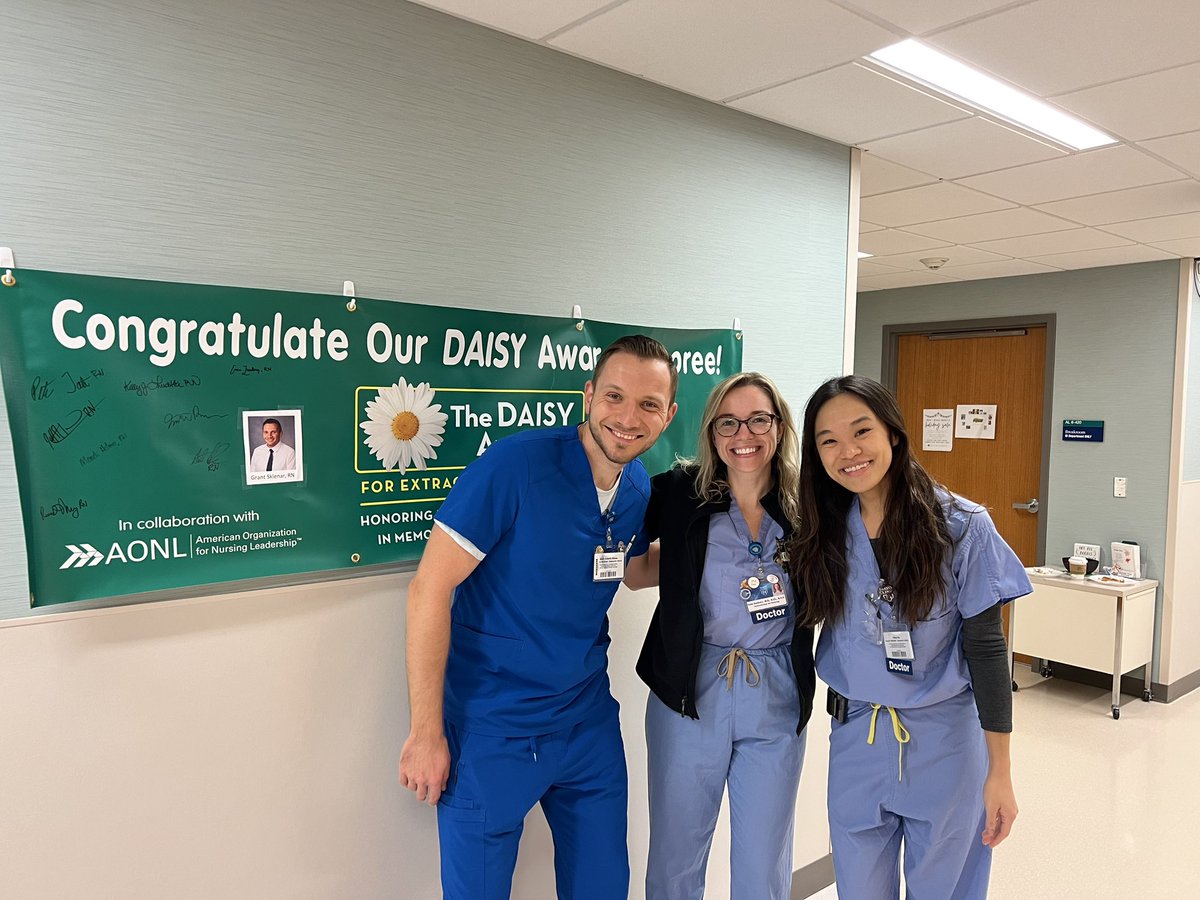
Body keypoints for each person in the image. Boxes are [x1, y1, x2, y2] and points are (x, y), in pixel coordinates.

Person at [398, 335, 678, 900]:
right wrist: (426, 731)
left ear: (668, 414)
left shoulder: (639, 485)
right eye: (615, 397)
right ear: (588, 395)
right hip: (492, 727)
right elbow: (429, 589)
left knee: (602, 885)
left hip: (586, 723)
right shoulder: (516, 467)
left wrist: (713, 555)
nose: (628, 418)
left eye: (648, 405)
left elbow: (628, 569)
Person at [792, 375, 1031, 899]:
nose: (847, 451)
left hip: (944, 742)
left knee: (944, 888)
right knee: (858, 887)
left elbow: (988, 650)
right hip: (858, 735)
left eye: (861, 431)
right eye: (828, 440)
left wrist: (1001, 771)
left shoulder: (962, 527)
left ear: (893, 435)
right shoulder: (823, 529)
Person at [626, 372, 816, 900]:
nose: (743, 434)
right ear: (711, 432)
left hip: (775, 688)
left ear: (779, 426)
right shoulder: (679, 492)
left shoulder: (809, 502)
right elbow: (636, 570)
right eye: (727, 422)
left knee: (764, 858)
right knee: (676, 854)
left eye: (758, 419)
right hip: (689, 687)